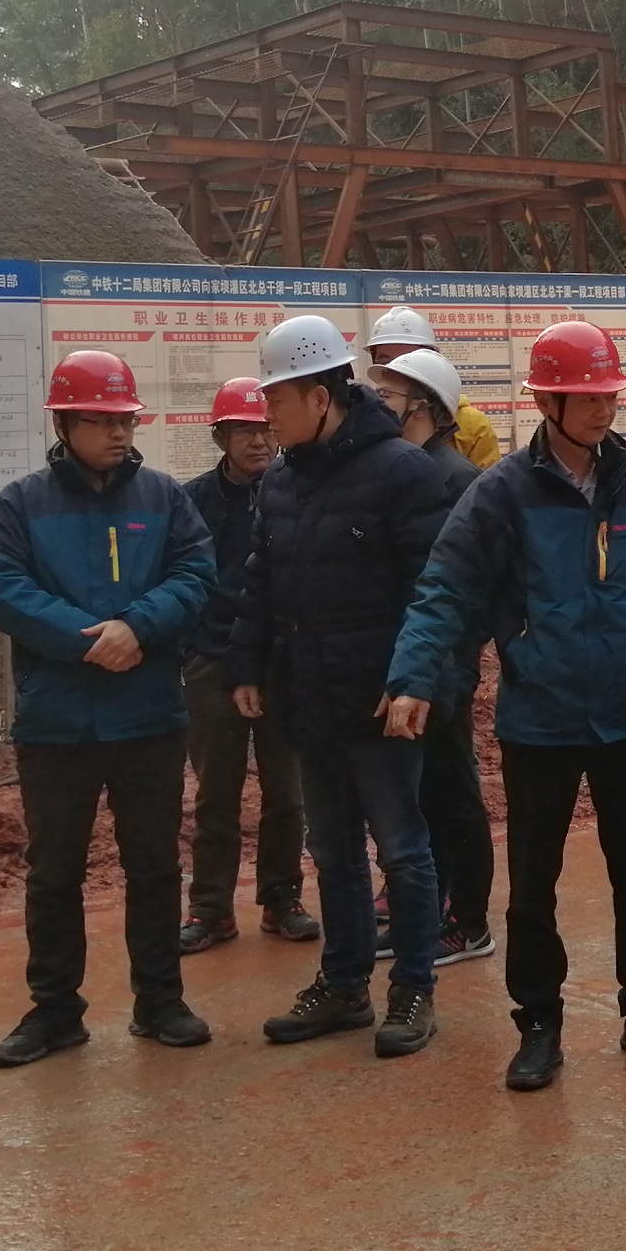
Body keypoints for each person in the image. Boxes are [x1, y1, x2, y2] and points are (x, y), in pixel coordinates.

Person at [386, 318, 626, 1093]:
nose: (603, 410)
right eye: (586, 398)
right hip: (541, 719)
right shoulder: (503, 493)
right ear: (547, 402)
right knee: (534, 882)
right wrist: (413, 677)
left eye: (608, 396)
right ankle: (539, 1026)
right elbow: (446, 588)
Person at [0, 350, 217, 1067]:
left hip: (148, 716)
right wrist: (91, 640)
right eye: (101, 420)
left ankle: (160, 1001)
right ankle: (55, 1011)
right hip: (57, 723)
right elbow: (1, 589)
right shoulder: (20, 505)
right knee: (54, 872)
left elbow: (196, 573)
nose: (118, 433)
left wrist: (136, 627)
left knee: (154, 866)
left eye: (125, 420)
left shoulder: (165, 499)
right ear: (64, 423)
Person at [226, 316, 455, 1061]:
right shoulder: (283, 479)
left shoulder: (402, 473)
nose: (267, 416)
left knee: (404, 851)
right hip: (310, 697)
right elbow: (261, 580)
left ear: (321, 397)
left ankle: (413, 987)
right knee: (332, 850)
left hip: (382, 703)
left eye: (277, 400)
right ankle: (346, 984)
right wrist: (246, 664)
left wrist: (413, 680)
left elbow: (435, 589)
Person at [178, 377, 317, 954]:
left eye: (264, 428)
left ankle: (282, 898)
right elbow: (182, 578)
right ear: (221, 437)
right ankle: (211, 908)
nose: (258, 441)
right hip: (213, 662)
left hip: (283, 662)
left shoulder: (298, 491)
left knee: (288, 791)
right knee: (217, 793)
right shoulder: (191, 501)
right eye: (243, 430)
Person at [369, 346, 494, 967]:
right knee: (417, 799)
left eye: (389, 395)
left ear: (424, 406)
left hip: (442, 667)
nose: (378, 404)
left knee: (450, 793)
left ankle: (468, 922)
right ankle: (425, 913)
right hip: (409, 662)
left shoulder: (455, 479)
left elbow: (464, 589)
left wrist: (446, 668)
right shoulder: (403, 471)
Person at [367, 305, 502, 471]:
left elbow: (484, 482)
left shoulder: (471, 424)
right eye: (385, 361)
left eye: (409, 359)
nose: (396, 368)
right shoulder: (366, 419)